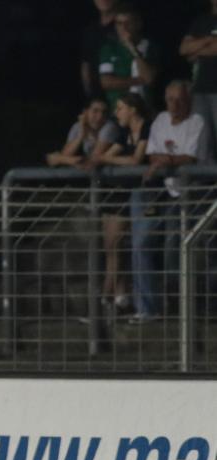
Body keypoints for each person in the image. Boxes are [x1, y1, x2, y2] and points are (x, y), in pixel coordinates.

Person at [133, 81, 207, 323]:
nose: (174, 105)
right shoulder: (161, 120)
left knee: (173, 247)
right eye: (170, 99)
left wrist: (167, 161)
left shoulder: (197, 122)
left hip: (188, 194)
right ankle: (149, 307)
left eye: (179, 100)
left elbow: (191, 157)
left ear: (188, 100)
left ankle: (178, 309)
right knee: (142, 243)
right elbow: (152, 153)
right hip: (161, 192)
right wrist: (164, 160)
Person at [89, 93, 150, 313]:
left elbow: (136, 160)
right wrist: (111, 158)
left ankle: (104, 300)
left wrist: (110, 159)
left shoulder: (146, 128)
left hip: (134, 193)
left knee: (116, 245)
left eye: (120, 108)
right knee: (111, 247)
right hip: (116, 191)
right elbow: (99, 157)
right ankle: (119, 296)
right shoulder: (124, 132)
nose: (116, 113)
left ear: (133, 109)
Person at [98, 3, 159, 111]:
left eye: (128, 23)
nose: (123, 28)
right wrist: (137, 80)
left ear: (138, 24)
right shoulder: (109, 48)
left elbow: (149, 78)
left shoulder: (149, 46)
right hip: (118, 111)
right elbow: (106, 82)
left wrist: (132, 48)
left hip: (144, 110)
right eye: (119, 23)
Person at [180, 0, 217, 155]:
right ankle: (204, 178)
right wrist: (209, 40)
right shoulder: (201, 21)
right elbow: (183, 48)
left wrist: (197, 49)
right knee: (201, 138)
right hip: (200, 89)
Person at [46, 97, 120, 168]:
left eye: (104, 112)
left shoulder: (110, 127)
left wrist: (61, 159)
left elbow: (93, 161)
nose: (100, 116)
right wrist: (81, 136)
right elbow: (66, 153)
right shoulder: (78, 126)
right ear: (85, 112)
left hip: (117, 175)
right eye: (95, 111)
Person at [80, 0, 117, 99]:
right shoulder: (91, 30)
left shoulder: (124, 26)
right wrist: (89, 95)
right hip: (97, 94)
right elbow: (86, 63)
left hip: (120, 94)